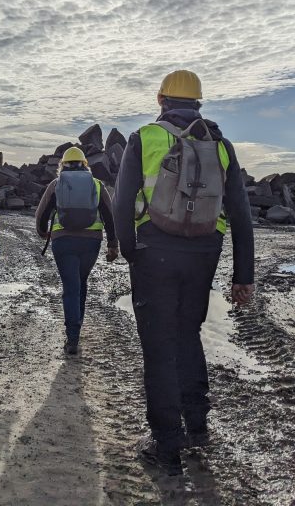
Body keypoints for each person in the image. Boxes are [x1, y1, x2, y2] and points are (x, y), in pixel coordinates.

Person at [113, 70, 255, 475]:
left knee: (158, 345)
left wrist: (130, 252)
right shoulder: (220, 145)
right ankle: (197, 426)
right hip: (204, 252)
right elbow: (241, 217)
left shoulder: (145, 137)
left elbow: (122, 204)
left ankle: (166, 446)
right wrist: (242, 275)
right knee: (189, 333)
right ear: (198, 103)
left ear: (161, 100)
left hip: (154, 250)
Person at [36, 146, 119, 354]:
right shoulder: (97, 186)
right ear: (85, 165)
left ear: (62, 165)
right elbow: (110, 217)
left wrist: (43, 232)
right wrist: (113, 245)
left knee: (70, 286)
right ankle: (77, 328)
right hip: (91, 243)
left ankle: (72, 338)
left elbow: (41, 215)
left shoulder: (56, 185)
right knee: (81, 282)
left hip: (63, 242)